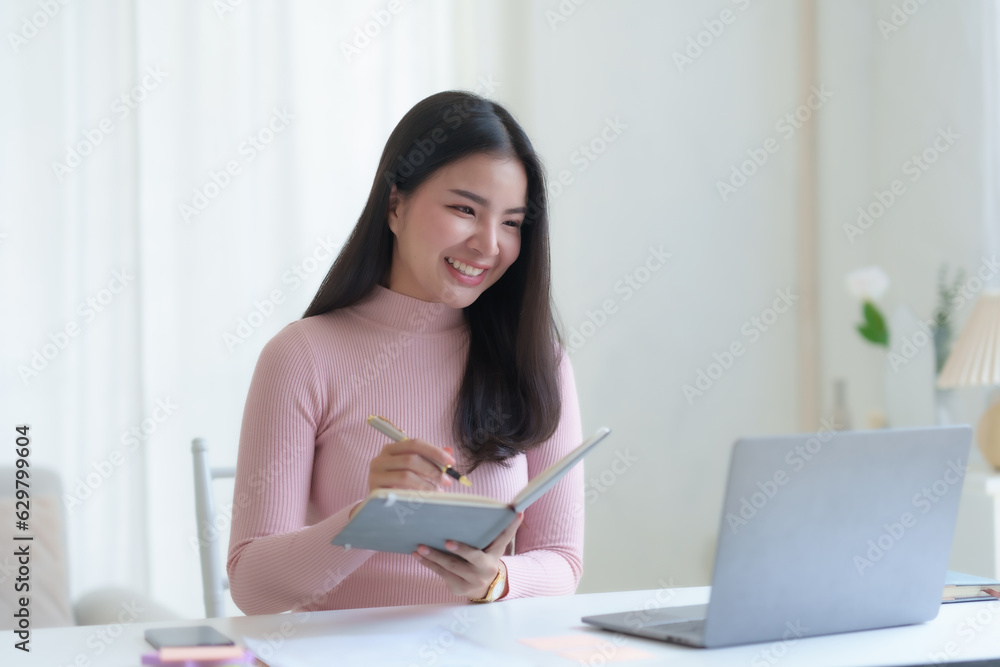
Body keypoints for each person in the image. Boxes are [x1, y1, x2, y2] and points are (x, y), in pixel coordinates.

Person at [226, 90, 584, 614]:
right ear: (395, 205)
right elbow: (252, 585)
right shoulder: (301, 356)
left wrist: (498, 579)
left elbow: (562, 561)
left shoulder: (537, 359)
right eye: (465, 209)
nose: (489, 245)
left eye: (511, 222)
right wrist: (371, 517)